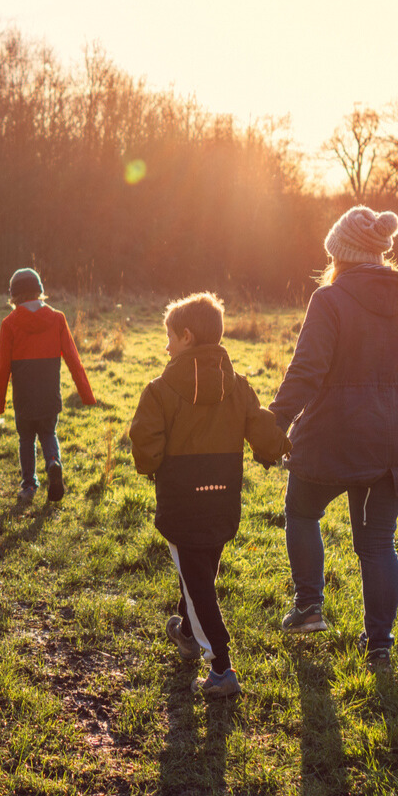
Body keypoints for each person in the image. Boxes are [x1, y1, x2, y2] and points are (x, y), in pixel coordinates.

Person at [267, 206, 398, 674]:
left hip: (331, 437)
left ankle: (309, 607)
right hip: (391, 441)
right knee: (378, 543)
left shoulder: (329, 299)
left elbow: (307, 371)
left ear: (340, 253)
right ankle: (379, 647)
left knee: (302, 511)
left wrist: (276, 422)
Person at [128, 292, 289, 698]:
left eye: (169, 337)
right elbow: (263, 431)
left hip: (181, 502)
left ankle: (221, 666)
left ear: (186, 336)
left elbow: (146, 446)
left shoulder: (160, 390)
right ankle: (186, 633)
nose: (166, 347)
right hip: (223, 498)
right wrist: (281, 447)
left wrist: (149, 465)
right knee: (199, 573)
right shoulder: (238, 387)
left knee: (198, 583)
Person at [0, 267, 96, 502]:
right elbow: (74, 360)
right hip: (50, 394)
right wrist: (86, 395)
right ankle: (53, 462)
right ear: (39, 291)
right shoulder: (57, 318)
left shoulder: (9, 323)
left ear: (13, 295)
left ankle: (29, 486)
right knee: (48, 433)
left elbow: (2, 368)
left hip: (24, 397)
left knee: (26, 439)